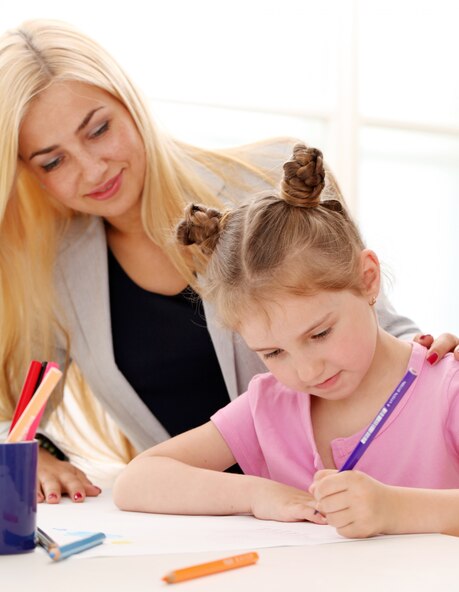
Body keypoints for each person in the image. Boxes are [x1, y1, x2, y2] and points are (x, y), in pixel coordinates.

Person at [0, 20, 457, 506]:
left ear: (131, 106)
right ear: (28, 172)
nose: (91, 169)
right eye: (53, 161)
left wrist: (430, 369)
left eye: (99, 129)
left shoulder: (268, 177)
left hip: (335, 497)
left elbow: (366, 313)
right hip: (211, 509)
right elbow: (20, 407)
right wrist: (22, 451)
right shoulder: (56, 267)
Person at [114, 144, 459, 538]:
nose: (307, 371)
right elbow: (137, 480)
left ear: (367, 279)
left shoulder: (446, 390)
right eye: (273, 352)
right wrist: (257, 494)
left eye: (320, 333)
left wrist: (396, 510)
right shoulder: (271, 405)